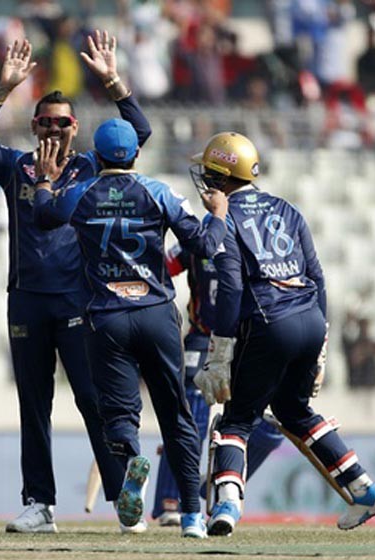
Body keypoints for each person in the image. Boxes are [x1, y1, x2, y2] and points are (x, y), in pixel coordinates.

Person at [0, 33, 149, 534]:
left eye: (62, 122)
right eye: (44, 122)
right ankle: (39, 503)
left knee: (93, 401)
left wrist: (112, 80)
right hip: (26, 300)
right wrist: (1, 88)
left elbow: (140, 132)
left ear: (75, 127)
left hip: (76, 302)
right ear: (34, 125)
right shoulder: (16, 167)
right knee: (34, 404)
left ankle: (122, 501)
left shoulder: (91, 167)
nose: (53, 129)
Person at [33, 118, 229, 538]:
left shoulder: (81, 192)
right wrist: (217, 215)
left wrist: (47, 181)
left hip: (106, 317)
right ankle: (193, 516)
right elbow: (205, 246)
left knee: (120, 417)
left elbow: (45, 216)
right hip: (156, 313)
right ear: (136, 154)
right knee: (175, 413)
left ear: (97, 155)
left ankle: (132, 480)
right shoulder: (159, 192)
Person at [191, 131, 375, 535]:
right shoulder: (286, 208)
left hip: (267, 322)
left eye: (210, 174)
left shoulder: (225, 218)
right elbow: (317, 276)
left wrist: (221, 350)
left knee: (236, 421)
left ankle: (226, 506)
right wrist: (323, 342)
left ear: (223, 177)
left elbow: (230, 286)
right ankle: (364, 490)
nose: (205, 182)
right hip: (309, 320)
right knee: (295, 413)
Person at [150, 243, 284, 526]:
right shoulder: (197, 238)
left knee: (270, 428)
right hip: (203, 340)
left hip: (246, 341)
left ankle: (215, 483)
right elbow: (159, 269)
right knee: (191, 417)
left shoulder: (252, 239)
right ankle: (168, 500)